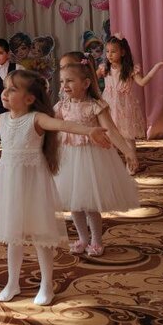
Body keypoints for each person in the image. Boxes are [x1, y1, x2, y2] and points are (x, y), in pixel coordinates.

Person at [0, 69, 111, 304]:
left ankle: (46, 285)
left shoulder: (36, 119)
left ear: (29, 98)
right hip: (10, 186)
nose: (5, 93)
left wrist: (89, 131)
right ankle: (12, 282)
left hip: (35, 186)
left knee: (40, 235)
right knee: (13, 235)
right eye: (5, 88)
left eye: (12, 89)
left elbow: (62, 124)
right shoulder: (2, 119)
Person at [53, 62, 140, 258]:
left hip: (91, 159)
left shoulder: (95, 106)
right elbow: (49, 125)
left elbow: (112, 132)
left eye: (69, 81)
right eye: (62, 81)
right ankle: (82, 238)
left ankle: (96, 240)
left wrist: (128, 151)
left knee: (90, 203)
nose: (64, 85)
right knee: (74, 203)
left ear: (85, 83)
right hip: (68, 158)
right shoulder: (62, 106)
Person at [98, 34, 163, 147]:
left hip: (124, 107)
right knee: (109, 133)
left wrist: (156, 67)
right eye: (107, 51)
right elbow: (92, 78)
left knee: (127, 135)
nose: (109, 55)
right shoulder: (104, 68)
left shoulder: (129, 69)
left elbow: (142, 82)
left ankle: (131, 157)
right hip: (108, 105)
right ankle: (112, 157)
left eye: (113, 51)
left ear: (122, 52)